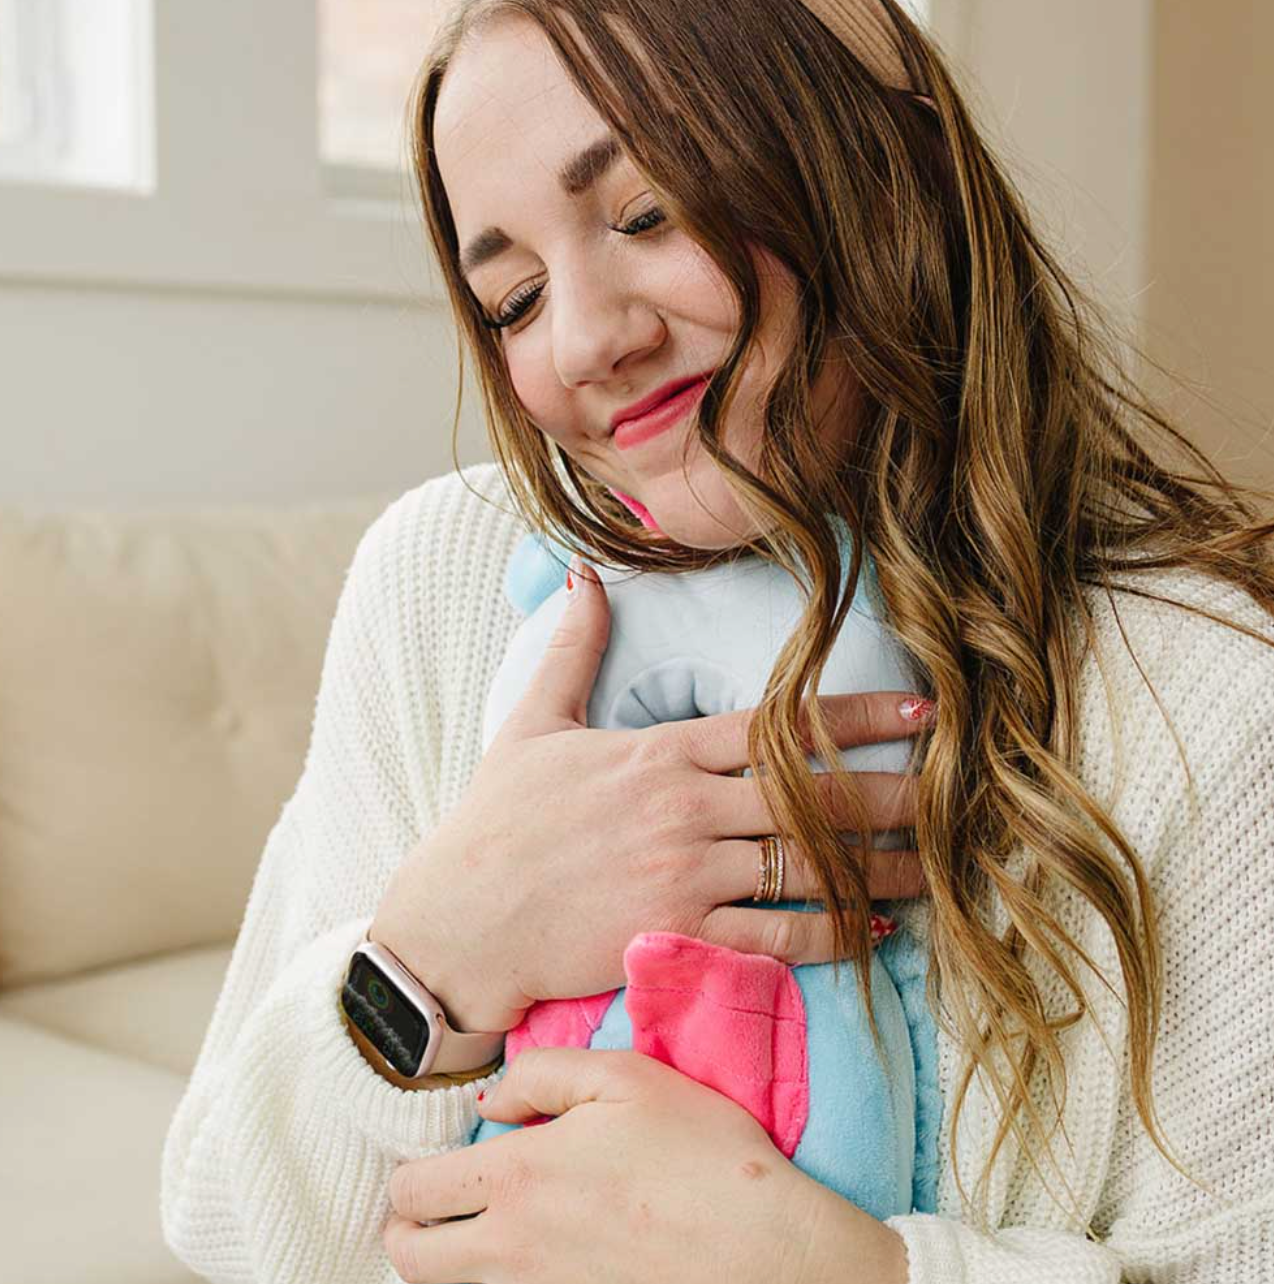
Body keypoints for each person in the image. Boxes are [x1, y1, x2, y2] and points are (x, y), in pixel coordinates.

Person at [160, 2, 1274, 1282]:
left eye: (648, 213)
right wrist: (440, 950)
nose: (581, 341)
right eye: (512, 298)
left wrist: (843, 1269)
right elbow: (228, 1230)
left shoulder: (1207, 699)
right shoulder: (443, 582)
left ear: (878, 182)